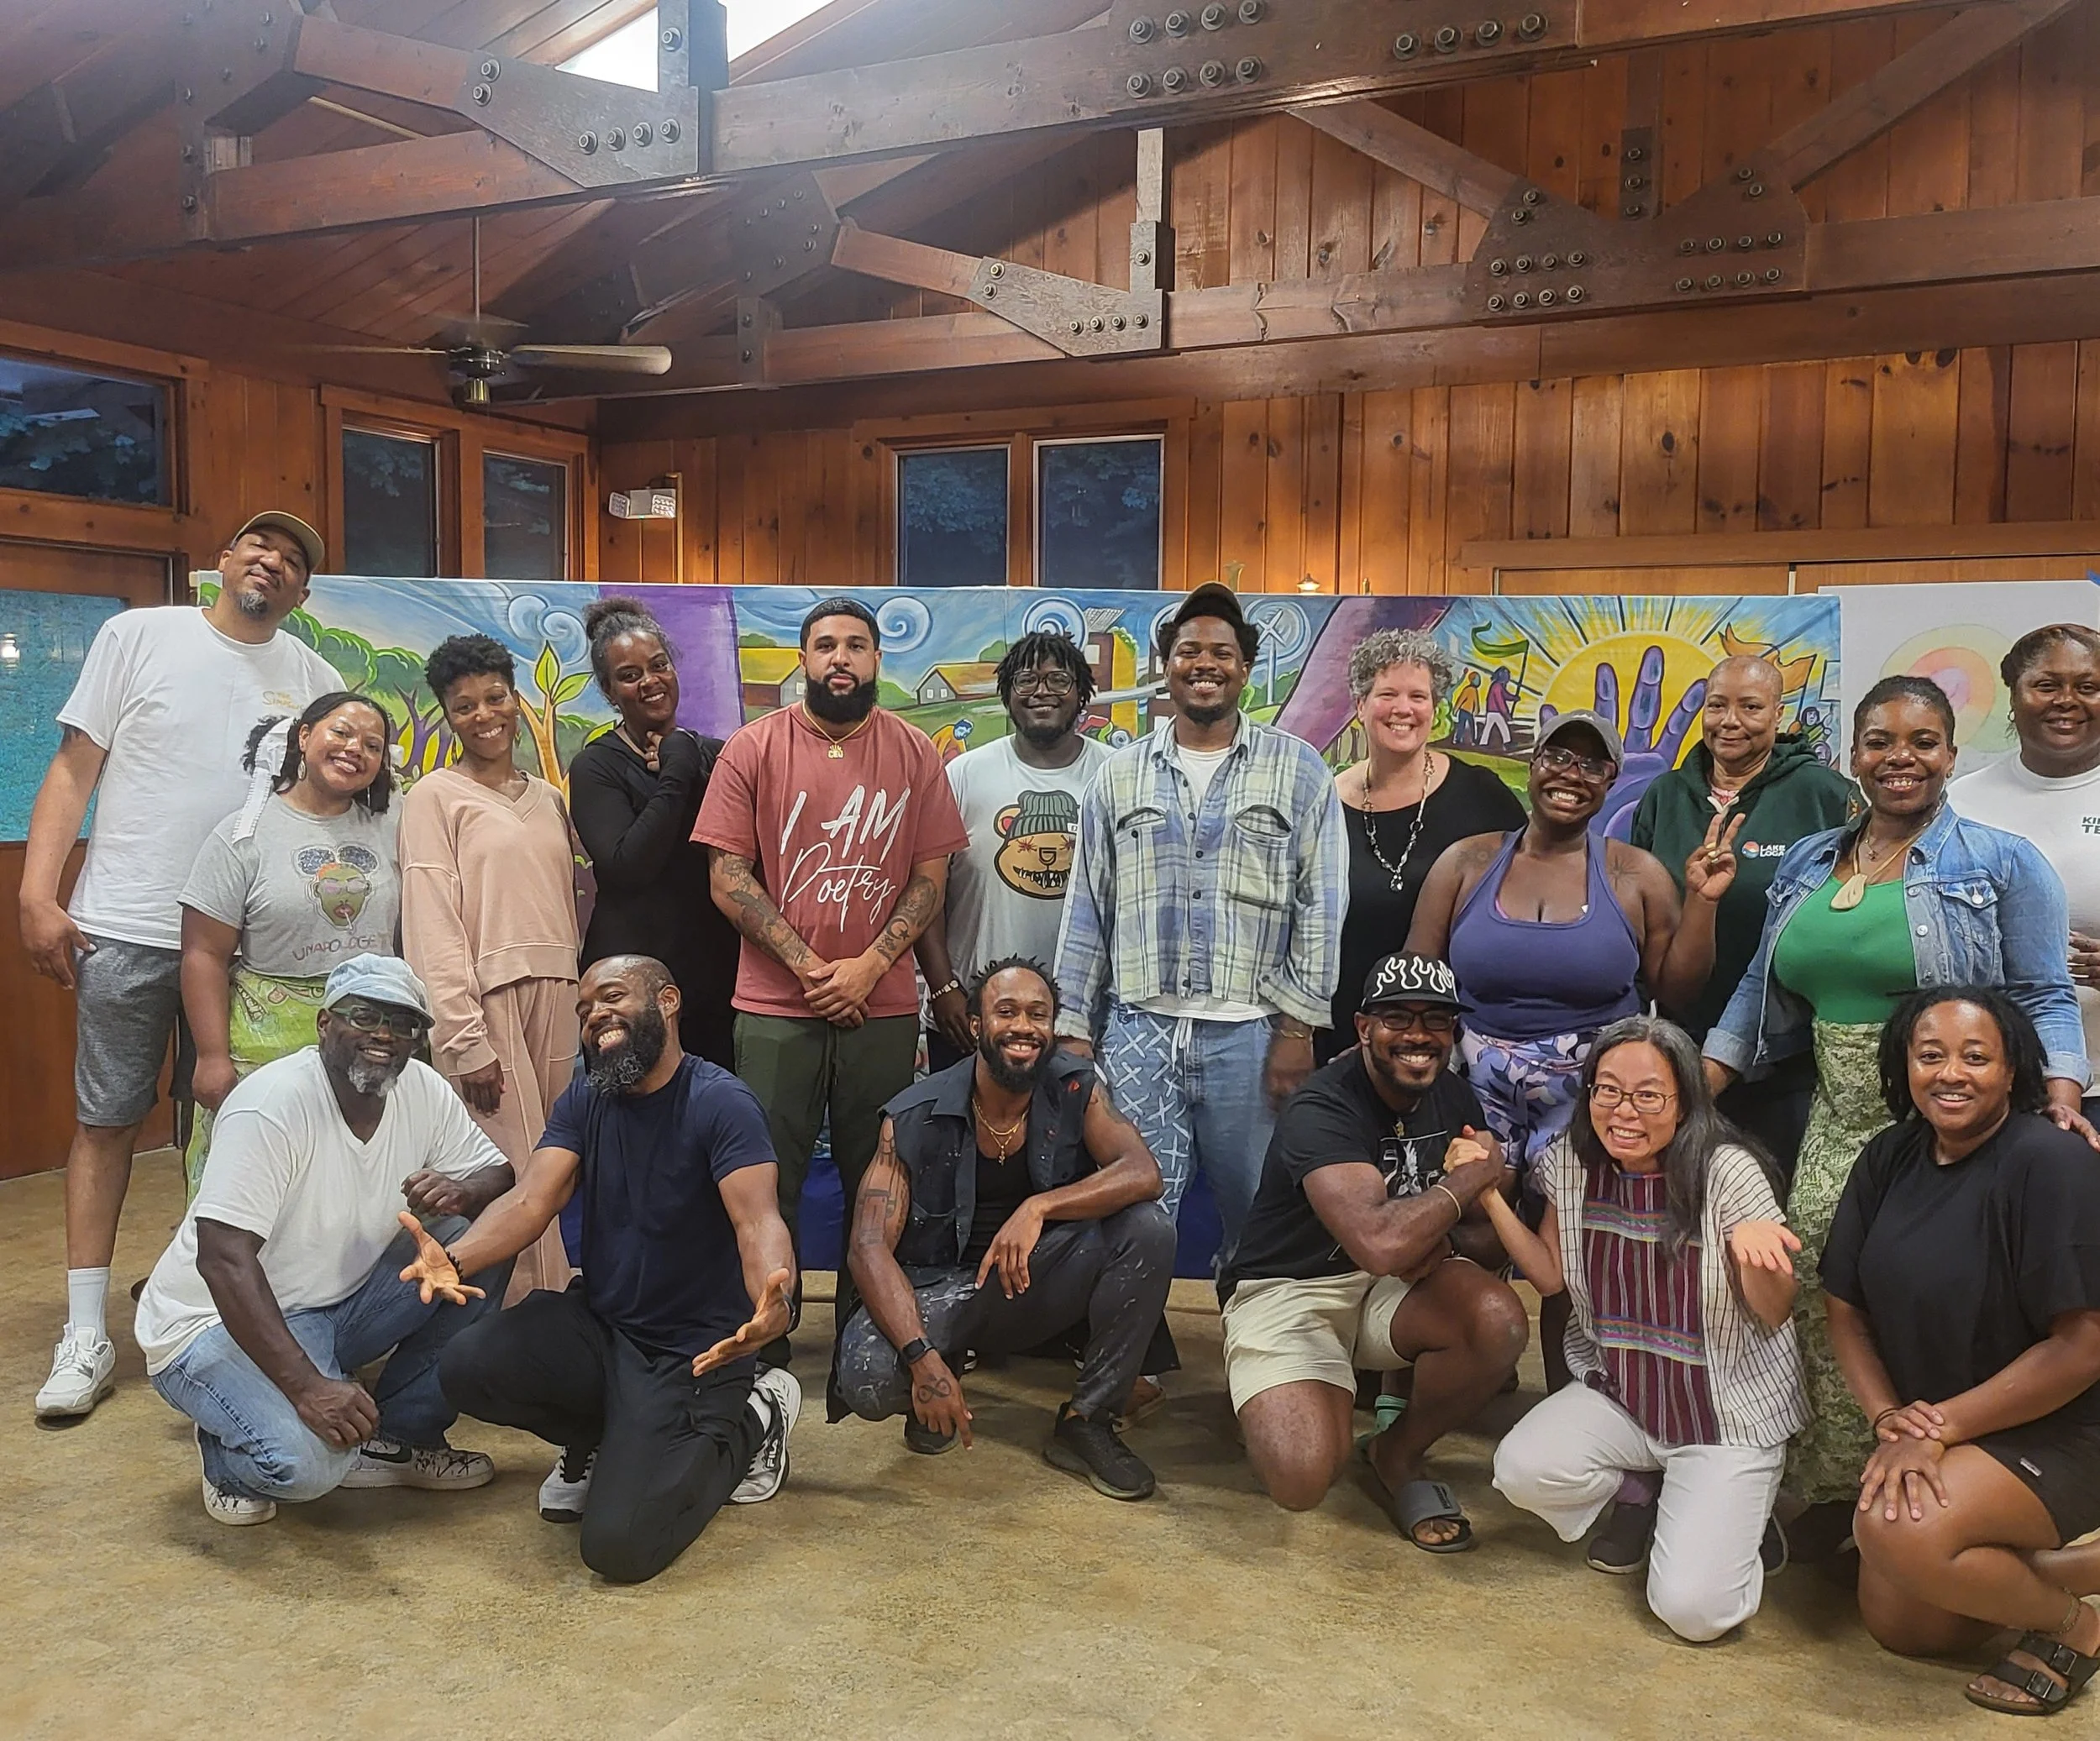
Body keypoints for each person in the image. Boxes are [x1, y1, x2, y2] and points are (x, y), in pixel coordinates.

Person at [1704, 674, 2092, 1546]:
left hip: (1952, 1123)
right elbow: (1754, 997)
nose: (1899, 758)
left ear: (1952, 755)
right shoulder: (1808, 861)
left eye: (1922, 741)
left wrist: (2062, 1100)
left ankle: (1946, 1489)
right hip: (1834, 1117)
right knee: (1815, 1294)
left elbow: (2043, 993)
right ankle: (1837, 1496)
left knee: (1933, 1302)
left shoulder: (1999, 861)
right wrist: (1695, 1090)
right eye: (1879, 741)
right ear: (1852, 757)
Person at [24, 511, 341, 1421]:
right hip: (123, 924)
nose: (270, 565)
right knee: (109, 1120)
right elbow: (74, 769)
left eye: (290, 563)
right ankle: (85, 1330)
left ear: (301, 594)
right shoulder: (139, 635)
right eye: (258, 548)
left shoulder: (314, 680)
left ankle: (216, 1303)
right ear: (223, 563)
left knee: (239, 1127)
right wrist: (38, 894)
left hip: (252, 948)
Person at [430, 955, 802, 1586]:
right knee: (467, 1364)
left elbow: (757, 1221)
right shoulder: (586, 1096)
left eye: (612, 997)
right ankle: (600, 1433)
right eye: (584, 1010)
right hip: (605, 1328)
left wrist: (776, 1303)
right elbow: (531, 1200)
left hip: (694, 1353)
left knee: (618, 1546)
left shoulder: (720, 1102)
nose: (595, 1015)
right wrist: (454, 1256)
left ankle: (756, 1417)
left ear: (668, 1001)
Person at [134, 956, 516, 1526]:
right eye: (363, 1015)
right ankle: (226, 1449)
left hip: (329, 1304)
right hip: (211, 1322)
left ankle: (399, 1436)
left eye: (402, 1023)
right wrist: (308, 1387)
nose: (383, 1034)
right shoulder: (273, 1105)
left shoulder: (421, 1089)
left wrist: (462, 1189)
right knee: (309, 1467)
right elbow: (223, 1259)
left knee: (474, 1244)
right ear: (323, 1024)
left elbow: (500, 1172)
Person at [696, 596, 971, 1356]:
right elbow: (728, 878)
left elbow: (931, 878)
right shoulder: (752, 749)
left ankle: (867, 1345)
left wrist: (872, 966)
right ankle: (767, 1342)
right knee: (765, 1180)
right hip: (773, 1007)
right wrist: (816, 969)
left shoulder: (915, 751)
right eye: (825, 646)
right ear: (804, 661)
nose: (840, 658)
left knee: (878, 1186)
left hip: (879, 1010)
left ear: (878, 660)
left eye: (856, 645)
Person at [1485, 1016, 1807, 1643]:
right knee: (1522, 1468)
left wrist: (1756, 1258)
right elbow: (1550, 1277)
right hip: (1626, 1394)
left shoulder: (1728, 1172)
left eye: (1647, 1094)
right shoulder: (1573, 1163)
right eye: (1607, 1089)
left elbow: (1775, 1312)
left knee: (1694, 1612)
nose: (1623, 1110)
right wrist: (1490, 1198)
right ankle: (1649, 1486)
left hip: (1723, 1414)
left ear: (1685, 1100)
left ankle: (1738, 1512)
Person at [1823, 988, 2100, 1716]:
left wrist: (1937, 1427)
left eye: (1977, 1056)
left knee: (1893, 1530)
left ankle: (2078, 1625)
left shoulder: (2051, 1160)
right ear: (1904, 1065)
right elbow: (1843, 1309)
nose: (1952, 1072)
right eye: (1931, 1054)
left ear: (2013, 1071)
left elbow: (2082, 1348)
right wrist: (1891, 1419)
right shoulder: (1889, 1155)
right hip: (1939, 1425)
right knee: (1906, 1626)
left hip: (2061, 1426)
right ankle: (2066, 1571)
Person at [1055, 581, 1346, 1266]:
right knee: (1135, 1213)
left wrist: (1298, 1029)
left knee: (1264, 1206)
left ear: (1244, 667)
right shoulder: (1119, 776)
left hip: (1252, 1033)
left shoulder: (1298, 769)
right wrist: (1072, 1027)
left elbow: (1323, 906)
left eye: (1221, 651)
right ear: (1167, 666)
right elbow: (1087, 907)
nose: (1204, 662)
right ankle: (1139, 1359)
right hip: (1137, 1030)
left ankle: (1262, 1359)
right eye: (1189, 650)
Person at [1222, 952, 1529, 1549]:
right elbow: (1381, 1240)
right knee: (1303, 1477)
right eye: (1397, 1017)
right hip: (1292, 1287)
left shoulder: (1455, 1099)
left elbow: (1484, 1238)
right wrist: (1470, 1180)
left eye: (1436, 1020)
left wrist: (1444, 1231)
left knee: (1497, 1320)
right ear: (1363, 1028)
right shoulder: (1322, 1106)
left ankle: (1398, 1451)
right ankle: (1274, 1388)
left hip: (1391, 1287)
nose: (1418, 1035)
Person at [839, 957, 1175, 1496]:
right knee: (869, 1379)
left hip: (1038, 1278)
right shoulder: (912, 1115)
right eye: (1007, 1011)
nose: (1024, 1026)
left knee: (1148, 1230)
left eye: (1038, 1014)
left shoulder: (1076, 1089)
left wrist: (1039, 1208)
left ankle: (1087, 1420)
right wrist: (922, 1360)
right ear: (976, 1026)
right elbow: (868, 1248)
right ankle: (943, 1366)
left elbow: (1143, 1172)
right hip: (944, 1292)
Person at [401, 632, 581, 1302]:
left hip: (558, 993)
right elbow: (431, 921)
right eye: (464, 705)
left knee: (556, 1162)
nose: (484, 715)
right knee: (512, 1165)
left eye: (495, 698)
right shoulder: (434, 797)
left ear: (516, 698)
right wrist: (461, 1034)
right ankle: (510, 1317)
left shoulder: (548, 798)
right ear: (447, 715)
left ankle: (553, 1302)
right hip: (485, 1001)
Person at [1630, 654, 1856, 1186]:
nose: (1730, 721)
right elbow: (1636, 909)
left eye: (1750, 707)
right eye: (1717, 706)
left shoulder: (1824, 794)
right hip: (1684, 1044)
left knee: (1774, 1209)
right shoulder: (1665, 796)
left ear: (1779, 715)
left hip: (1791, 1057)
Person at [180, 690, 401, 1198]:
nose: (354, 749)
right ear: (304, 736)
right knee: (259, 1183)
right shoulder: (242, 834)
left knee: (357, 1180)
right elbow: (203, 954)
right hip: (265, 1042)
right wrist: (212, 1057)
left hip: (375, 1032)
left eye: (372, 744)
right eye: (341, 733)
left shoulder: (396, 824)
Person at [1324, 629, 1524, 1064]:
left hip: (1447, 1037)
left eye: (1418, 696)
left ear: (1435, 709)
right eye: (1387, 694)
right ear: (1360, 707)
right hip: (1339, 1030)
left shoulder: (1482, 796)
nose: (1403, 709)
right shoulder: (1323, 803)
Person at [916, 632, 1111, 1072]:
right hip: (970, 1017)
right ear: (1007, 695)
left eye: (1059, 680)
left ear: (1082, 694)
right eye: (1026, 680)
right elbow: (926, 891)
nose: (1042, 692)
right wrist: (944, 989)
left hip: (1081, 1020)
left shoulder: (1113, 776)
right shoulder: (962, 775)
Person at [566, 597, 738, 1071]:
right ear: (608, 690)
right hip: (631, 984)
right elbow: (628, 867)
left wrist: (685, 754)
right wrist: (677, 769)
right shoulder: (596, 765)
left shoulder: (717, 755)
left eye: (658, 665)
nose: (650, 682)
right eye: (629, 675)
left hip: (713, 980)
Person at [1949, 625, 2100, 1113]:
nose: (2067, 701)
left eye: (2088, 687)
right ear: (2013, 695)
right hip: (1982, 1089)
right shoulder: (1957, 802)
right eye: (2047, 685)